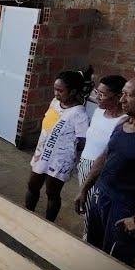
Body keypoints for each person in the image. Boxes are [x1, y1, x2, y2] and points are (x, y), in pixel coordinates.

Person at [74, 76, 135, 267]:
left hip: (126, 208)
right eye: (122, 95)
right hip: (100, 197)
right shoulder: (123, 124)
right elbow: (104, 157)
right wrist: (85, 188)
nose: (121, 100)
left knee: (115, 262)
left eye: (128, 95)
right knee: (91, 252)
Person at [26, 69, 91, 222]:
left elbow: (82, 141)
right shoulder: (55, 103)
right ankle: (27, 214)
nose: (56, 93)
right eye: (55, 89)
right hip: (43, 153)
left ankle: (49, 224)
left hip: (60, 160)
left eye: (60, 90)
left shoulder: (79, 114)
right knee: (32, 185)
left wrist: (66, 149)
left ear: (73, 91)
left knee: (52, 192)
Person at [77, 75, 128, 240]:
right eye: (96, 92)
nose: (97, 97)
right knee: (86, 208)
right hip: (85, 164)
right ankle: (88, 237)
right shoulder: (98, 112)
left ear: (119, 96)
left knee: (94, 212)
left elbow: (110, 154)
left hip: (102, 170)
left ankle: (90, 243)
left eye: (103, 94)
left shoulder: (123, 121)